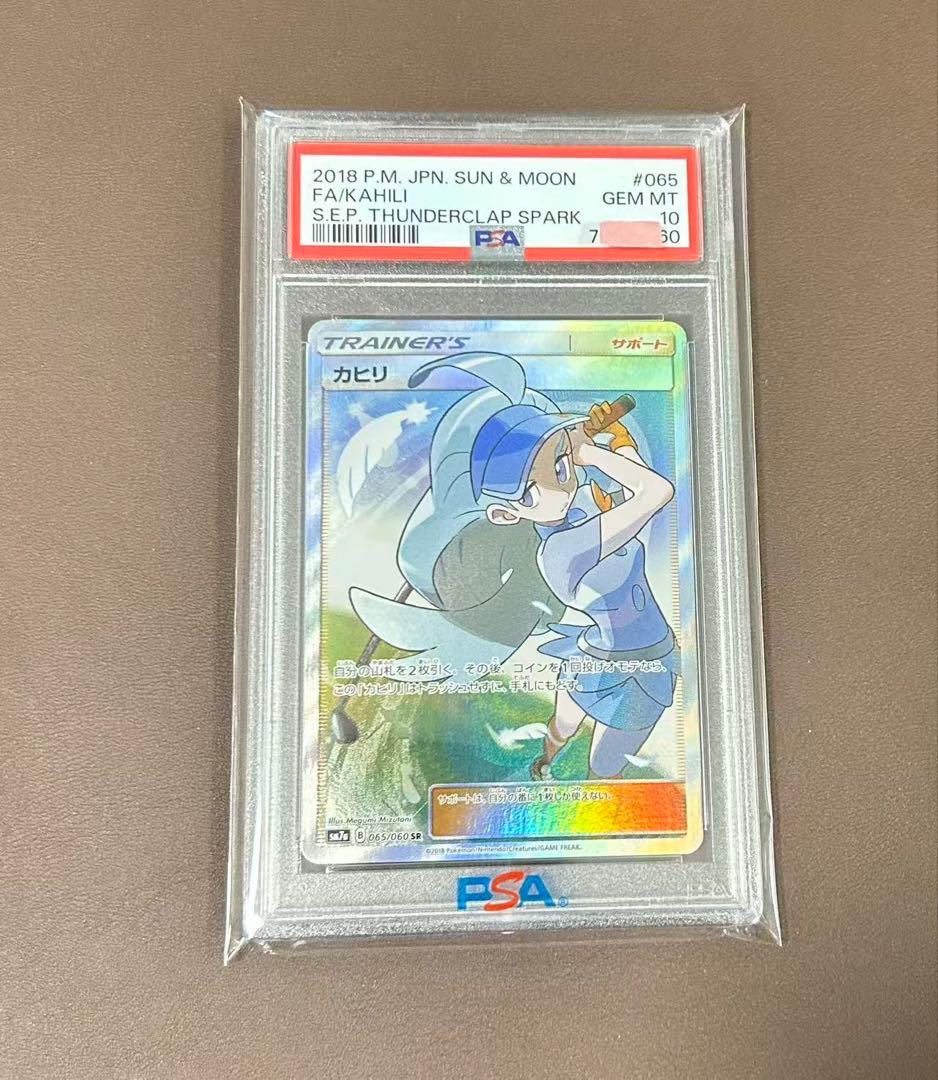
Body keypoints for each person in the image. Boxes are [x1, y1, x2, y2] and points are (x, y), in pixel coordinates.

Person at [349, 351, 678, 780]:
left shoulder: (579, 508)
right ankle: (547, 763)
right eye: (535, 484)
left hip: (639, 662)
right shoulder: (562, 553)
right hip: (612, 659)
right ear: (506, 514)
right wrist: (591, 454)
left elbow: (635, 481)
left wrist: (612, 437)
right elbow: (655, 492)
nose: (561, 477)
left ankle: (557, 766)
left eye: (558, 463)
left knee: (600, 759)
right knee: (571, 734)